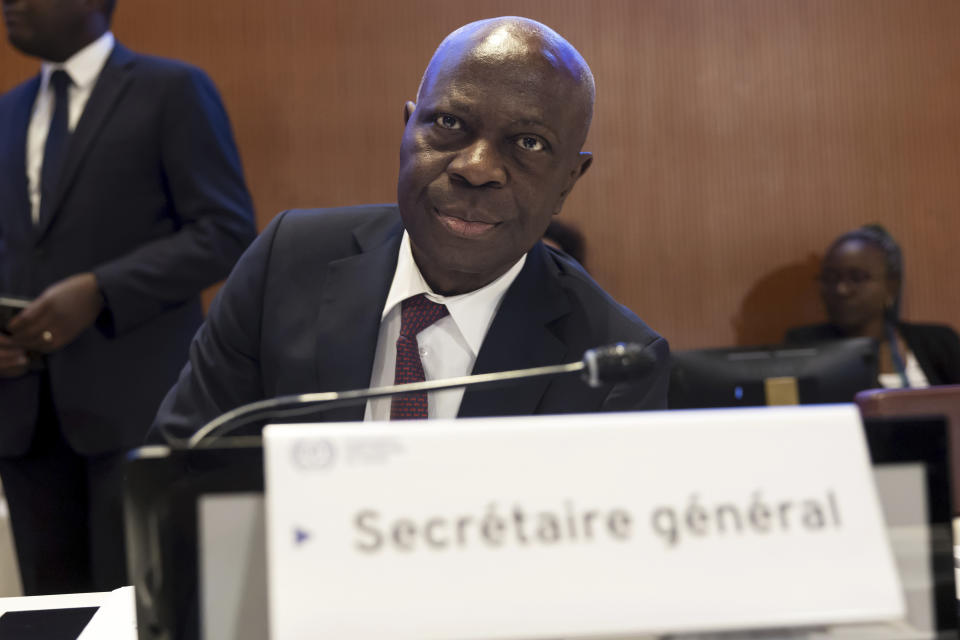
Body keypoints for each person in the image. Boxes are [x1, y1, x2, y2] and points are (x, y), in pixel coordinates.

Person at [150, 16, 669, 445]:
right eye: (448, 124)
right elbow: (179, 474)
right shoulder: (286, 262)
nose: (478, 167)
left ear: (568, 182)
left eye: (528, 143)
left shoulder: (612, 365)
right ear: (407, 130)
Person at [0, 0, 256, 594]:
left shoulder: (172, 90)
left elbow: (225, 231)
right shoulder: (9, 112)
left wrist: (100, 290)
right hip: (24, 420)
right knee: (49, 615)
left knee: (140, 606)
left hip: (135, 412)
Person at [786, 225, 960, 387]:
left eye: (857, 278)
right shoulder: (804, 347)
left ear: (891, 286)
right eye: (831, 278)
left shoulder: (939, 342)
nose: (842, 289)